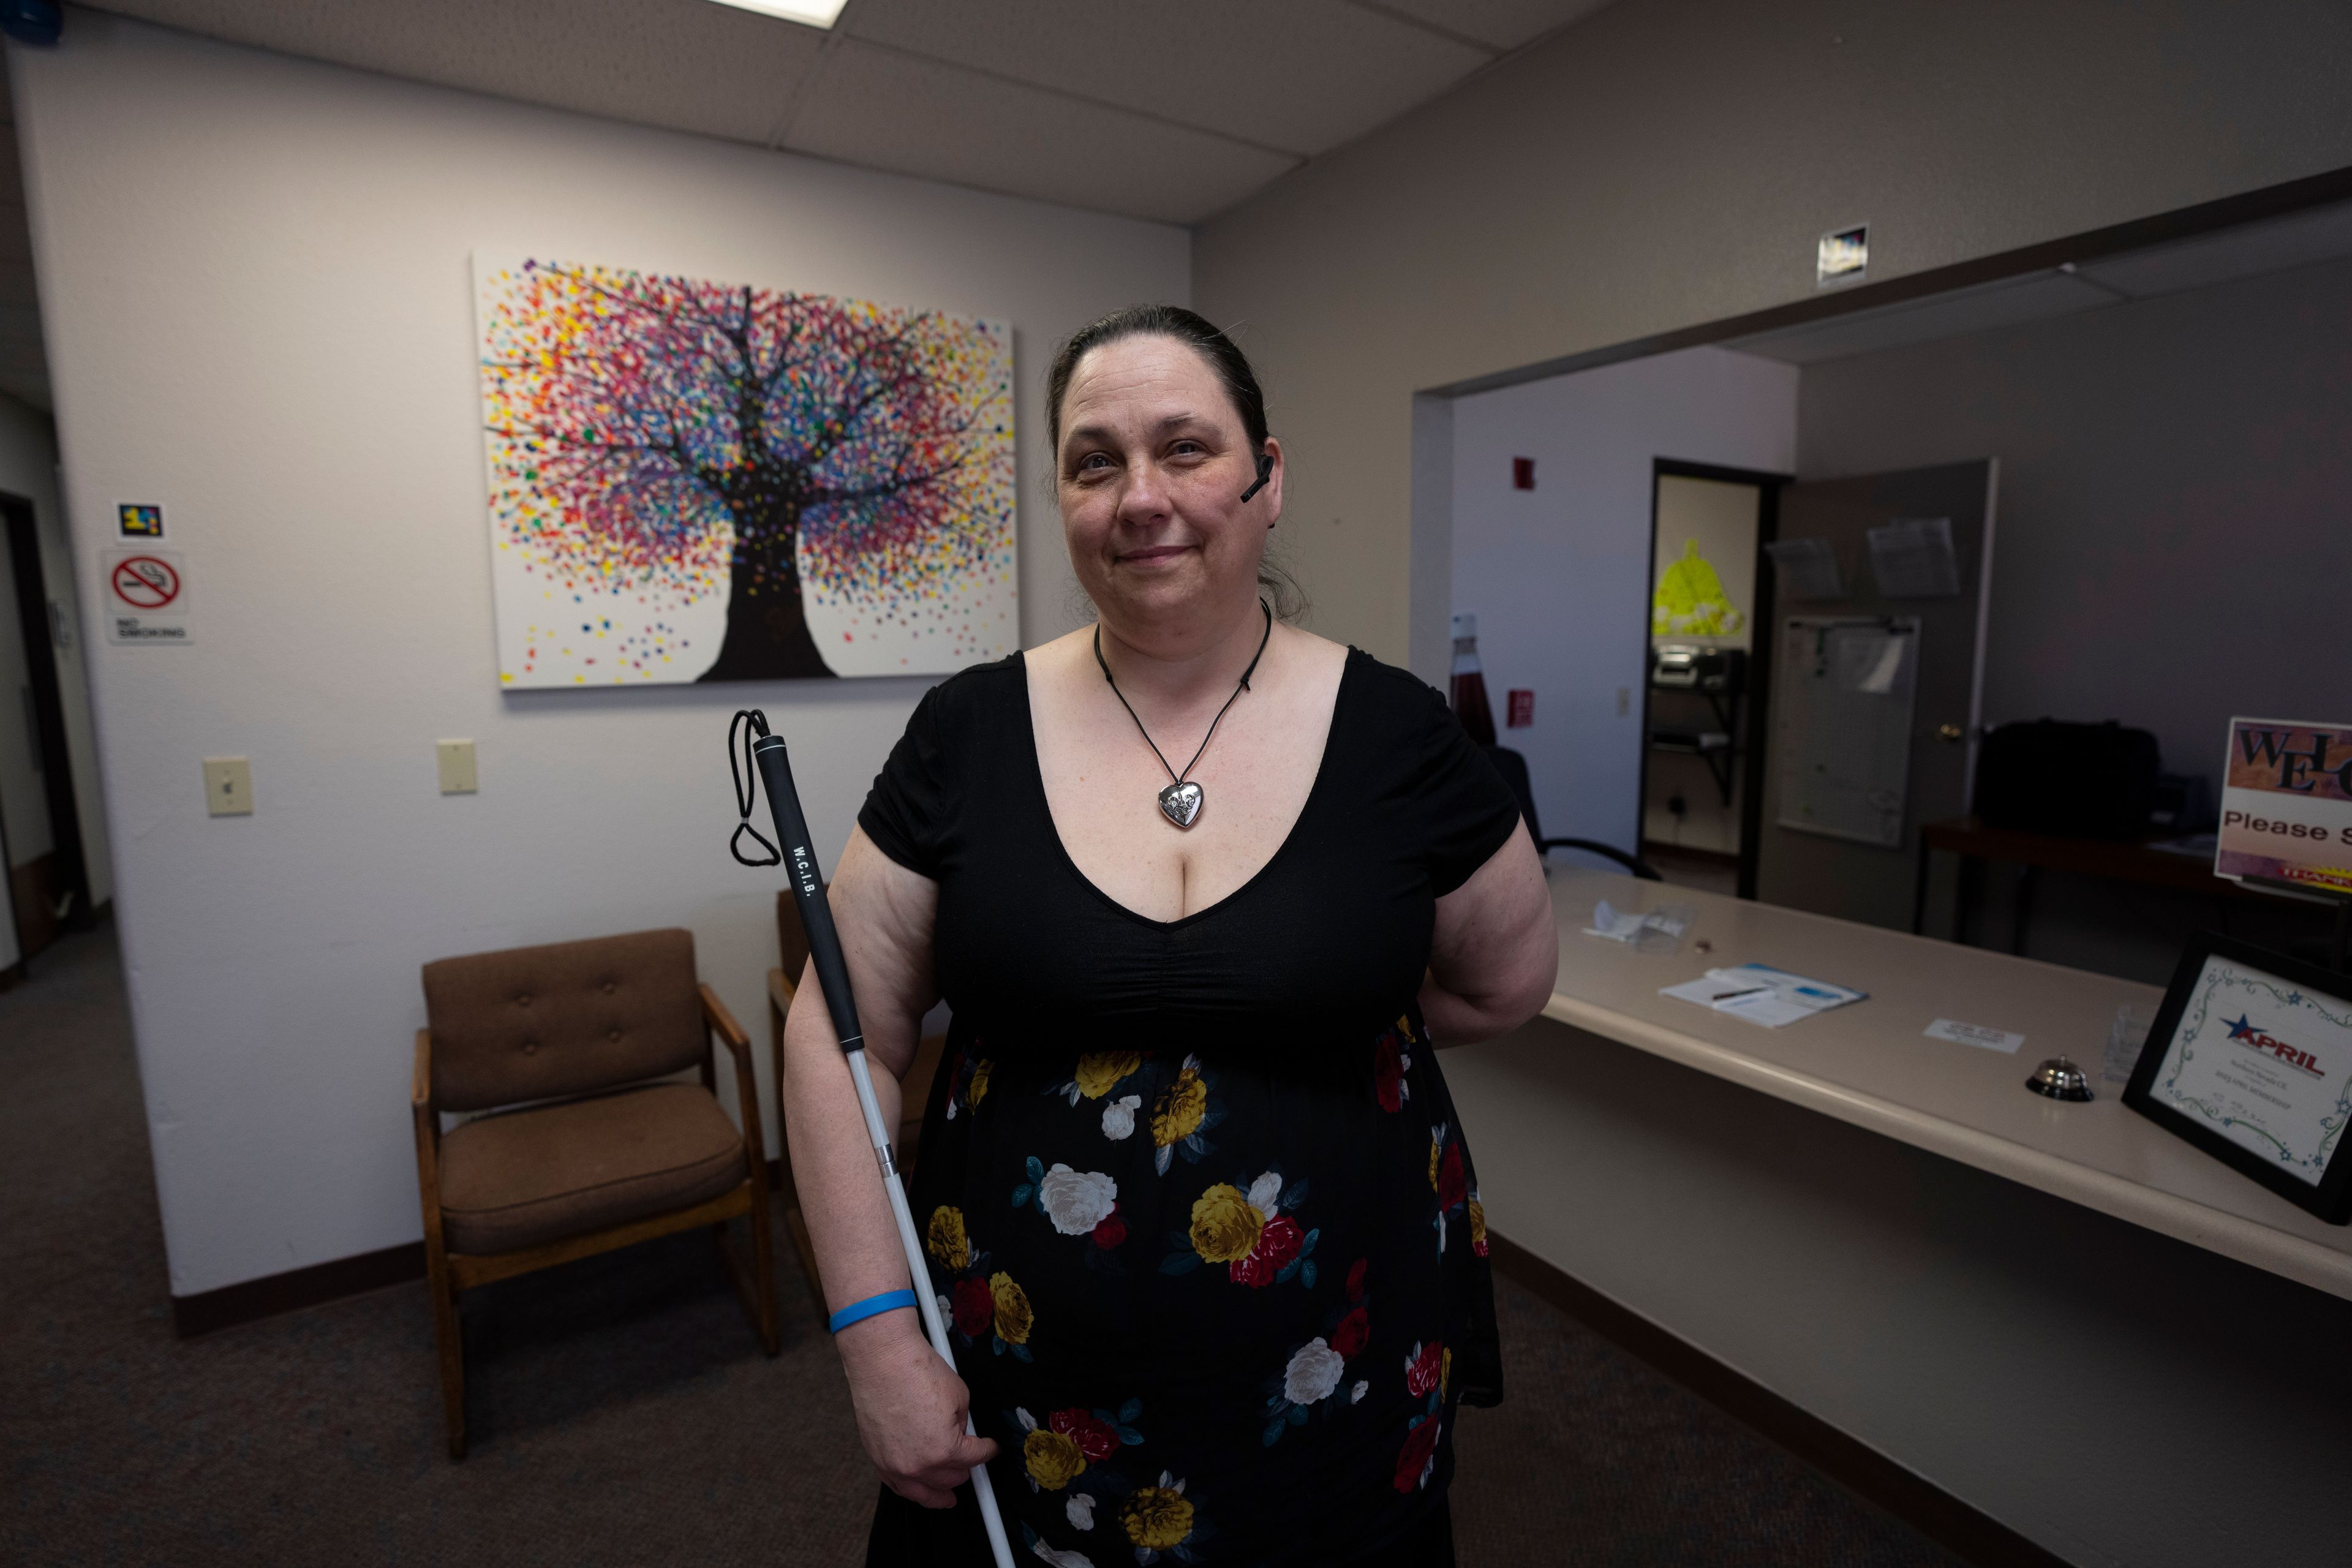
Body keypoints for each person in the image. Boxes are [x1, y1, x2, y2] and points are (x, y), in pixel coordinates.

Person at [779, 304, 1557, 1566]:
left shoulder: (1403, 738)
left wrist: (1307, 1030)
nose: (1142, 496)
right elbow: (836, 1031)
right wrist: (875, 1337)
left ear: (1267, 477)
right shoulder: (965, 733)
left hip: (1339, 1365)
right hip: (1027, 1386)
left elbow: (1505, 981)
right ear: (1065, 497)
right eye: (1096, 462)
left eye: (1185, 447)